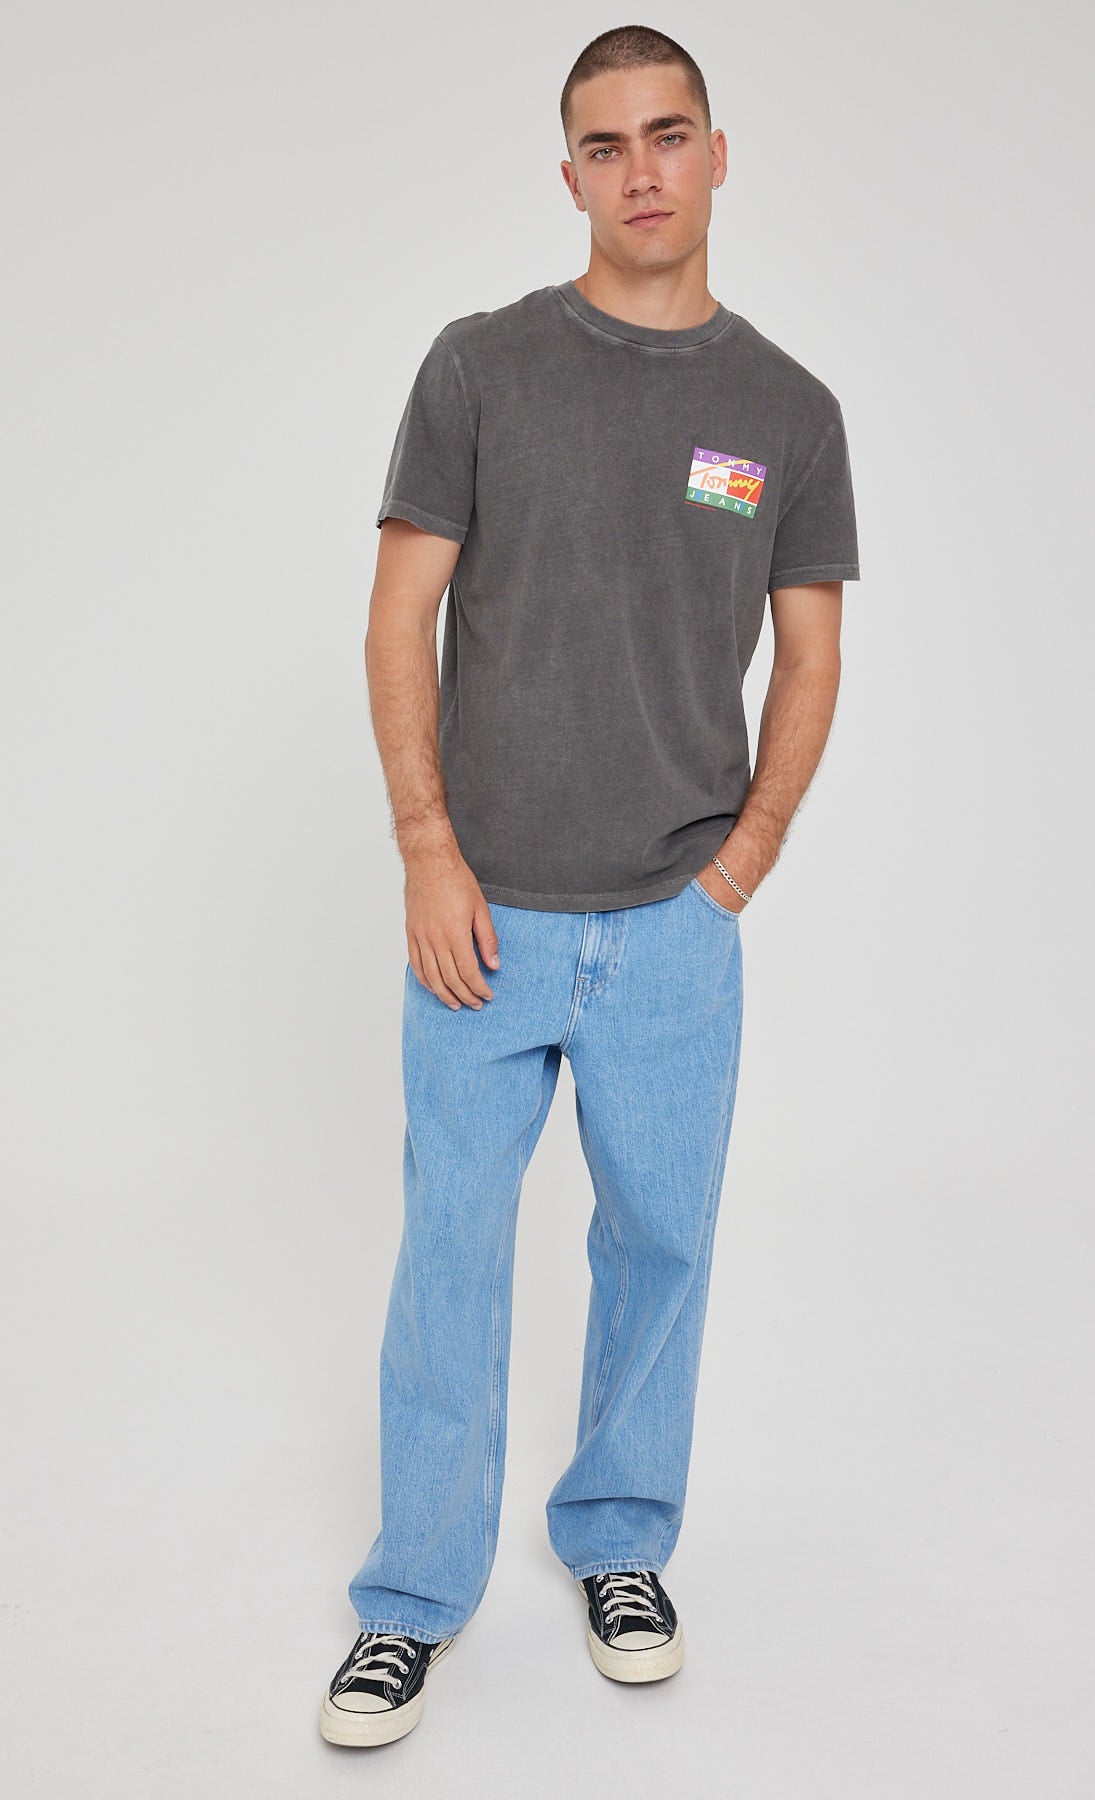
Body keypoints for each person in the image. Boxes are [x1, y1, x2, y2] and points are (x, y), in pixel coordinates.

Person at [319, 23, 861, 1748]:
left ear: (718, 154)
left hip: (674, 929)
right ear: (569, 175)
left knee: (661, 1246)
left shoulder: (787, 411)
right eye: (606, 145)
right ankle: (412, 1600)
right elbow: (400, 618)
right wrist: (427, 851)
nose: (641, 171)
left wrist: (741, 866)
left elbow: (811, 656)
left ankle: (621, 1542)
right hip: (481, 919)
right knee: (451, 1260)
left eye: (668, 135)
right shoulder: (480, 368)